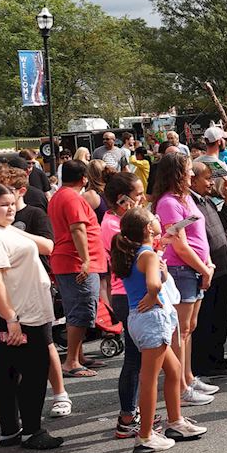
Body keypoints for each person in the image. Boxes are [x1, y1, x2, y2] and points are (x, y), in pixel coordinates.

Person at [112, 208, 206, 453]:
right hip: (152, 319)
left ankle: (175, 422)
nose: (156, 218)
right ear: (146, 228)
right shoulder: (147, 255)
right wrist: (154, 293)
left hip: (142, 319)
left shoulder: (137, 252)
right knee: (149, 378)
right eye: (152, 217)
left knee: (174, 371)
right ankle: (144, 436)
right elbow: (153, 283)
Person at [0, 182, 61, 450]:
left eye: (11, 203)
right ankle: (32, 430)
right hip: (15, 315)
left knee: (11, 370)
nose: (10, 209)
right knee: (31, 371)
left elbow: (47, 246)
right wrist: (11, 318)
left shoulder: (6, 230)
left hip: (27, 312)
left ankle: (11, 431)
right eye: (3, 205)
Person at [151, 152, 217, 406]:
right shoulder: (168, 203)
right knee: (181, 331)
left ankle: (187, 377)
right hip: (182, 270)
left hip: (194, 269)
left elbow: (196, 235)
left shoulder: (185, 198)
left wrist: (205, 264)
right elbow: (179, 245)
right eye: (188, 170)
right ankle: (180, 386)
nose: (192, 174)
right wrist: (204, 268)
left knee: (188, 328)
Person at [47, 159, 107, 378]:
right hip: (75, 263)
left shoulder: (60, 196)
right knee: (81, 311)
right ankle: (71, 361)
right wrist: (85, 260)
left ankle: (77, 356)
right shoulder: (72, 198)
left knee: (77, 310)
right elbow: (77, 229)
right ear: (84, 179)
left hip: (69, 261)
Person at [101, 172, 147, 439]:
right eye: (138, 195)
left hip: (126, 293)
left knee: (137, 358)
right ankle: (127, 416)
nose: (142, 200)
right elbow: (132, 254)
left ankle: (132, 412)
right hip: (125, 295)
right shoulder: (113, 225)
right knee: (133, 358)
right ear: (122, 200)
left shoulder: (119, 220)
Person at [190, 161, 227, 379]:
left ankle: (217, 360)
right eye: (207, 178)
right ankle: (203, 364)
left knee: (220, 318)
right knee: (206, 320)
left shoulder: (207, 200)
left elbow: (221, 225)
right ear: (193, 179)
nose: (211, 183)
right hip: (207, 269)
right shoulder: (191, 202)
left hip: (222, 265)